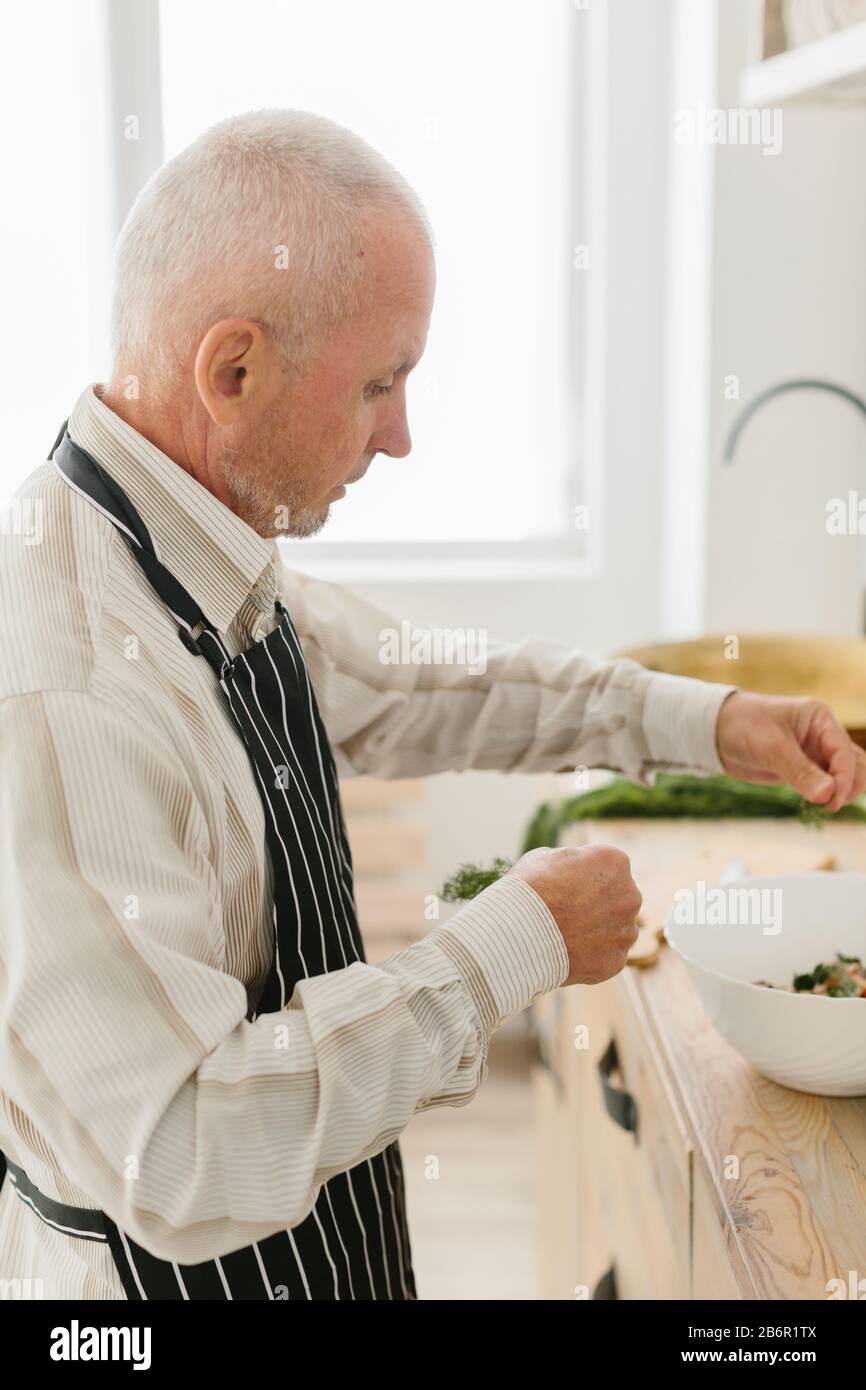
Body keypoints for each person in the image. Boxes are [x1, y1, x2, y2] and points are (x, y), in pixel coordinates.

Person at [1, 109, 863, 1301]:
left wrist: (701, 721)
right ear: (231, 368)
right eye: (378, 383)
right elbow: (183, 1152)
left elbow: (423, 680)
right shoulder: (65, 681)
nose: (398, 436)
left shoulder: (188, 546)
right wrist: (510, 943)